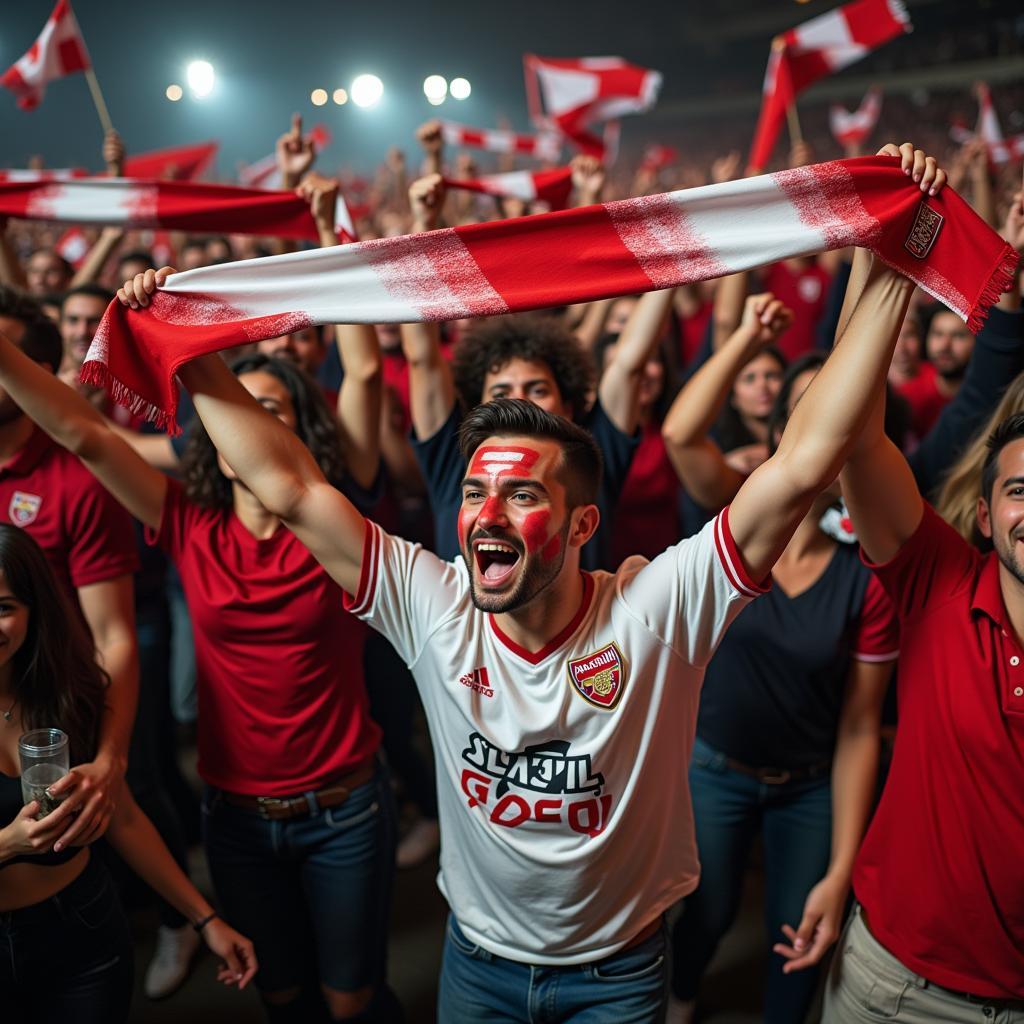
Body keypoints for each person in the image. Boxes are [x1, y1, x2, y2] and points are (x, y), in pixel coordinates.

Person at [120, 143, 947, 1024]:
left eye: (520, 494)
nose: (484, 515)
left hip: (619, 977)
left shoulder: (655, 611)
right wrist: (188, 353)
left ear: (585, 525)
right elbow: (288, 485)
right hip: (475, 966)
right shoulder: (432, 603)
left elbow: (807, 458)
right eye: (474, 493)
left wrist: (896, 257)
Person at [0, 177, 403, 1024]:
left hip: (345, 809)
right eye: (233, 415)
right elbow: (83, 431)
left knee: (351, 998)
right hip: (237, 816)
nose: (246, 427)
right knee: (283, 995)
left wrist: (329, 219)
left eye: (271, 411)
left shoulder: (339, 526)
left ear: (296, 434)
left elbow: (363, 367)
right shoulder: (184, 521)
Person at [661, 291, 898, 1024]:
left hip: (807, 786)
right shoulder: (736, 518)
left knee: (801, 938)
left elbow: (862, 727)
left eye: (841, 427)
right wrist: (742, 336)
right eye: (805, 419)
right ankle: (678, 998)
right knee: (702, 917)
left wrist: (841, 867)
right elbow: (678, 434)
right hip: (713, 768)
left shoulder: (868, 571)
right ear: (781, 435)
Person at [823, 200, 1024, 1023]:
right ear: (983, 517)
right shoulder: (938, 582)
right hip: (895, 992)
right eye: (1020, 490)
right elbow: (854, 436)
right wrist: (890, 254)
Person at [0, 523, 255, 1023]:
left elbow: (123, 815)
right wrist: (9, 844)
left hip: (85, 929)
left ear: (33, 611)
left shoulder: (66, 695)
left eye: (4, 607)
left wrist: (203, 919)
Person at [402, 171, 648, 570]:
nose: (518, 398)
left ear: (568, 402)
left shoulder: (592, 456)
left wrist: (674, 248)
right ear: (476, 403)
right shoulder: (454, 459)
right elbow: (422, 357)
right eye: (501, 391)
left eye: (536, 388)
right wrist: (423, 228)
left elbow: (630, 362)